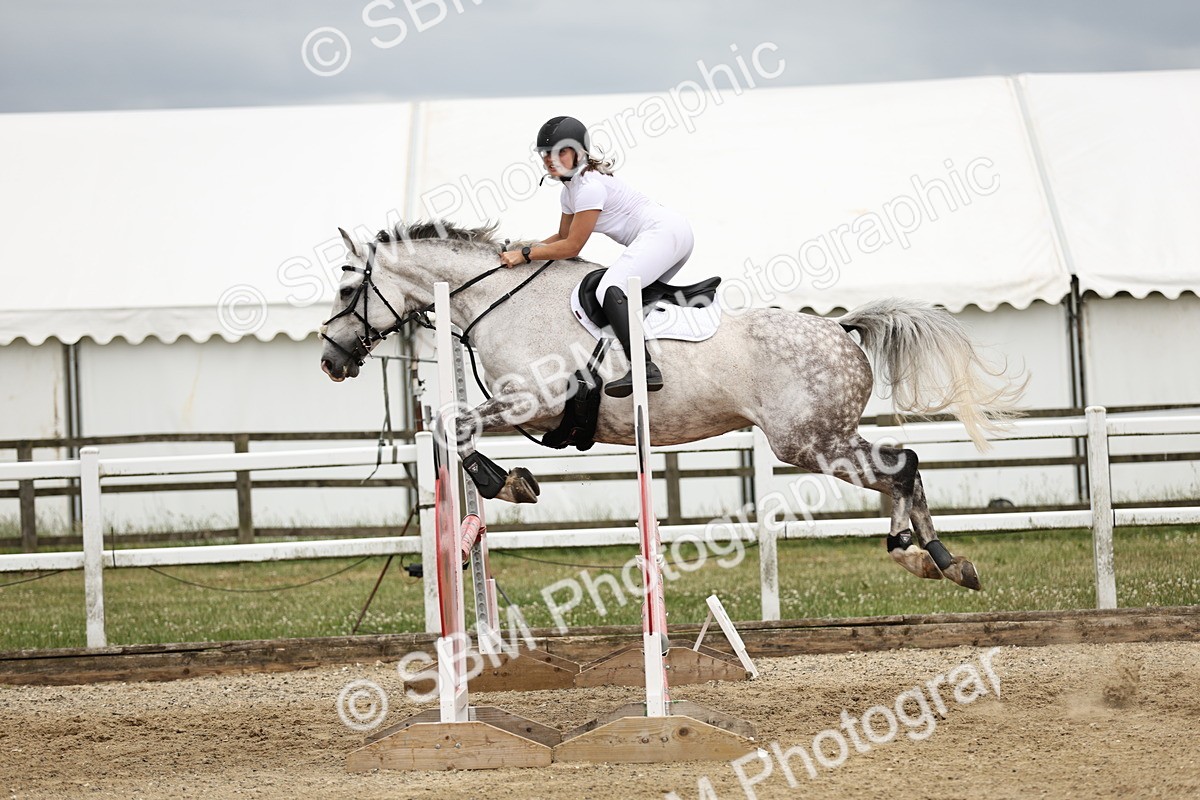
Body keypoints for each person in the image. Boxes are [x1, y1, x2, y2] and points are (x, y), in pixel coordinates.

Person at [498, 116, 695, 398]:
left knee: (609, 289)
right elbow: (561, 237)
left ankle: (644, 368)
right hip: (672, 235)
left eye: (559, 152)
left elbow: (572, 248)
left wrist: (526, 254)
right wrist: (524, 250)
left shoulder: (589, 186)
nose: (549, 160)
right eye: (545, 154)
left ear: (579, 153)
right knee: (634, 301)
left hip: (663, 233)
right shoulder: (570, 192)